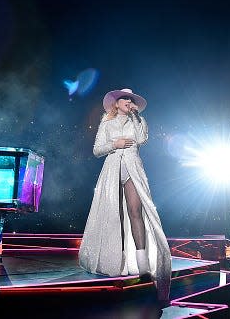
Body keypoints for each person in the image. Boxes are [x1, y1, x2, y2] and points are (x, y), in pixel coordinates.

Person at [79, 88, 171, 302]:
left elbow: (142, 139)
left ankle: (143, 267)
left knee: (135, 211)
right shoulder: (106, 122)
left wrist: (137, 116)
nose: (129, 102)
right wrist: (115, 144)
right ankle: (113, 261)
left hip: (132, 169)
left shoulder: (137, 120)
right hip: (112, 170)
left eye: (131, 100)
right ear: (116, 103)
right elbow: (96, 150)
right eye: (125, 99)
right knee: (113, 215)